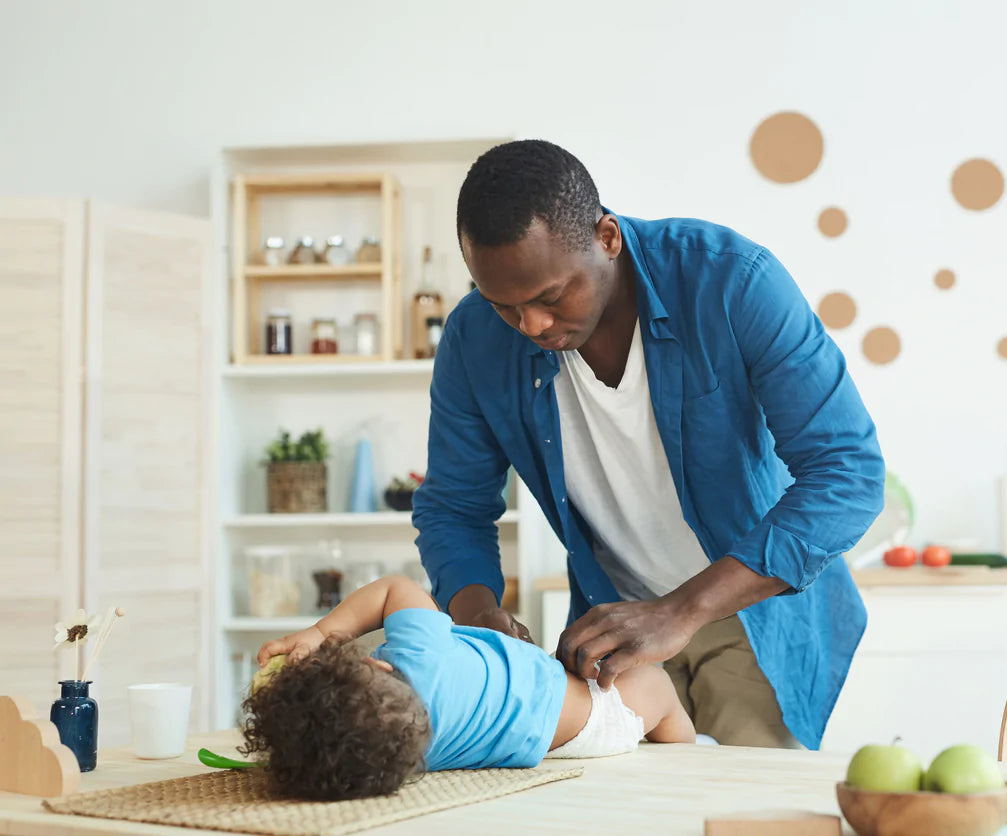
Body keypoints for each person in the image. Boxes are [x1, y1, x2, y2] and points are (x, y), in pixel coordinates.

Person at [415, 139, 885, 751]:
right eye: (505, 304)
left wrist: (680, 611)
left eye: (550, 297)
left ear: (606, 237)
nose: (530, 326)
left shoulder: (732, 281)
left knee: (741, 813)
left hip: (750, 612)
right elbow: (454, 507)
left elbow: (847, 473)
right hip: (613, 623)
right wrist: (479, 620)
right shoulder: (474, 337)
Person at [247, 574, 694, 800]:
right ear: (376, 667)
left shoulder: (403, 756)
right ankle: (695, 749)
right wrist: (321, 632)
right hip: (595, 715)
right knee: (657, 688)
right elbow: (394, 590)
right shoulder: (418, 659)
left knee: (648, 701)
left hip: (563, 741)